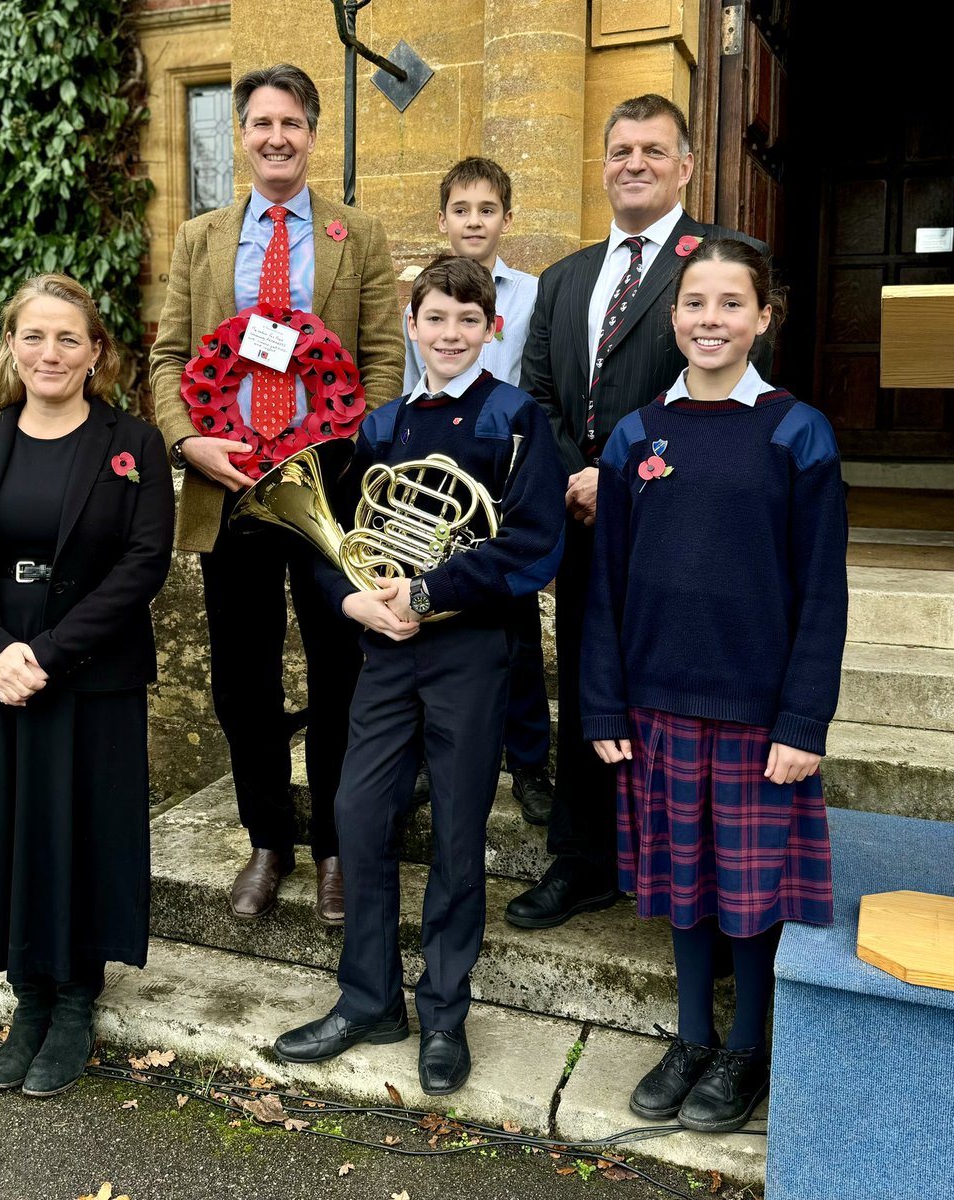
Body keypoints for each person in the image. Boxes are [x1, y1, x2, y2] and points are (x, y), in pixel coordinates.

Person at [273, 256, 565, 1095]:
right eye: (435, 319)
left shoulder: (515, 419)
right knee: (357, 812)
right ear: (413, 325)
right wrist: (352, 603)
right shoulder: (382, 424)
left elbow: (536, 540)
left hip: (471, 651)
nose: (449, 334)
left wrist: (433, 588)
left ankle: (443, 1012)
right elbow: (329, 534)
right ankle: (369, 998)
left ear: (490, 329)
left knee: (460, 834)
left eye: (466, 322)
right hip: (387, 647)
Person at [583, 238, 847, 1132]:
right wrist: (603, 699)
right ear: (673, 316)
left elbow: (823, 591)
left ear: (764, 317)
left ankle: (747, 1048)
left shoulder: (794, 431)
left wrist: (803, 719)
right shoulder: (636, 436)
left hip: (756, 714)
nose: (711, 320)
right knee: (683, 887)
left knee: (748, 896)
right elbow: (606, 586)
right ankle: (693, 1036)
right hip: (656, 707)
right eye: (696, 303)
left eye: (733, 304)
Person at [508, 93, 771, 930]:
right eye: (620, 149)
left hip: (685, 523)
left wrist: (618, 471)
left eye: (654, 151)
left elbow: (726, 387)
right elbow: (538, 394)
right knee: (592, 684)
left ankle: (678, 865)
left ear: (686, 166)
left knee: (677, 694)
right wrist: (577, 477)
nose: (634, 164)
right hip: (584, 521)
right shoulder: (566, 276)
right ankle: (583, 860)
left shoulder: (725, 263)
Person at [150, 63, 404, 925]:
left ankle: (333, 846)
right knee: (242, 676)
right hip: (230, 489)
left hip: (329, 490)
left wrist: (339, 446)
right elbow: (167, 357)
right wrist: (189, 441)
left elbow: (380, 360)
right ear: (243, 134)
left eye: (291, 122)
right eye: (260, 123)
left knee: (341, 666)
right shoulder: (201, 238)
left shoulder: (355, 235)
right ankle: (268, 838)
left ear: (312, 130)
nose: (276, 137)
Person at [0, 274, 174, 1097]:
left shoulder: (131, 442)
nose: (50, 353)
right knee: (7, 832)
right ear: (12, 346)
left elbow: (142, 564)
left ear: (97, 351)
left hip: (88, 676)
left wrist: (49, 653)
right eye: (34, 336)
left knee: (82, 835)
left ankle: (74, 1005)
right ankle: (27, 1001)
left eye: (69, 338)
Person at [400, 157, 552, 825]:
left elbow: (540, 375)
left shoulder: (534, 294)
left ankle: (529, 762)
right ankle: (434, 757)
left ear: (506, 220)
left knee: (514, 623)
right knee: (436, 616)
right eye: (461, 210)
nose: (473, 221)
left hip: (506, 460)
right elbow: (412, 378)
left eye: (486, 210)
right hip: (439, 469)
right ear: (443, 219)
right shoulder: (420, 294)